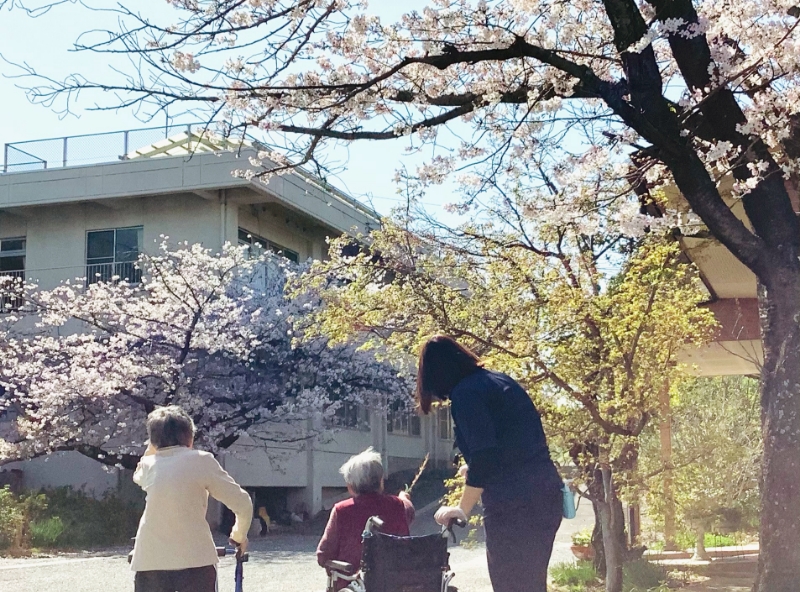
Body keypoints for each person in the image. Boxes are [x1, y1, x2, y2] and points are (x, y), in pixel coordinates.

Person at [420, 336, 563, 592]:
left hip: (513, 506)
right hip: (546, 494)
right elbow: (511, 444)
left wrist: (462, 509)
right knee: (531, 584)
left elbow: (486, 458)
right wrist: (473, 468)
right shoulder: (499, 381)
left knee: (511, 585)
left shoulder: (465, 394)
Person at [130, 405, 254, 592]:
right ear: (190, 436)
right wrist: (238, 535)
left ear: (153, 440)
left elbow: (139, 472)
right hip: (196, 559)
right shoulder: (202, 460)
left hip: (150, 560)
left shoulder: (148, 466)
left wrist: (152, 447)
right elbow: (243, 504)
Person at [317, 447, 415, 589]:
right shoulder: (398, 505)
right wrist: (403, 497)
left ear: (350, 486)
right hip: (394, 586)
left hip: (354, 585)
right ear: (381, 482)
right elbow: (409, 510)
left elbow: (323, 555)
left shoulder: (342, 510)